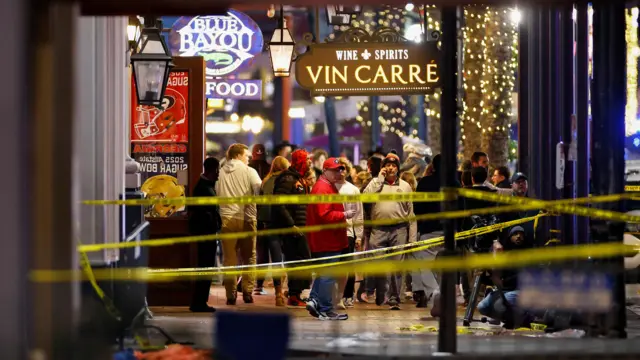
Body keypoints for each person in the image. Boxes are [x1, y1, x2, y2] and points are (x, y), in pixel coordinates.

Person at [363, 152, 417, 310]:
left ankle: (394, 297)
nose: (391, 168)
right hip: (378, 229)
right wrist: (378, 180)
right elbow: (365, 198)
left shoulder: (405, 187)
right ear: (383, 168)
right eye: (387, 165)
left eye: (393, 165)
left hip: (399, 229)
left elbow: (411, 214)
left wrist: (412, 238)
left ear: (398, 169)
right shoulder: (375, 183)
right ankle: (381, 293)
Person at [305, 158, 355, 320]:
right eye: (334, 170)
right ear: (325, 171)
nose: (338, 173)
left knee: (324, 273)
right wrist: (344, 215)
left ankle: (314, 300)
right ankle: (325, 308)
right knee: (328, 274)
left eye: (339, 170)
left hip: (327, 238)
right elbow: (324, 214)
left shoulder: (326, 186)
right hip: (327, 239)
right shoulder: (322, 188)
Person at [216, 143, 262, 305]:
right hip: (247, 218)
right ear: (238, 155)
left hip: (226, 219)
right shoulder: (250, 172)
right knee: (249, 256)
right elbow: (259, 191)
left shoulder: (220, 173)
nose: (248, 159)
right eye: (246, 156)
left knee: (229, 259)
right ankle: (248, 292)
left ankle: (231, 294)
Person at [273, 149, 313, 307]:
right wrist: (291, 225)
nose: (310, 162)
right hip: (293, 229)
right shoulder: (289, 179)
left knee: (302, 260)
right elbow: (279, 203)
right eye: (307, 159)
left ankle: (296, 292)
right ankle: (294, 295)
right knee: (296, 261)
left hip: (301, 227)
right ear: (300, 161)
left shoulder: (299, 178)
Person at [477, 226, 534, 327]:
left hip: (519, 291)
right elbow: (495, 279)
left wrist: (503, 281)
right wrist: (485, 274)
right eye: (515, 234)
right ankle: (507, 318)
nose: (519, 236)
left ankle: (522, 318)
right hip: (504, 290)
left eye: (521, 234)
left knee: (500, 304)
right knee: (482, 307)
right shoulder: (504, 253)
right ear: (510, 237)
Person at [255, 156, 290, 305]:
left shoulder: (266, 181)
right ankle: (284, 292)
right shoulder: (285, 180)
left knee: (274, 258)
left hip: (267, 223)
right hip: (283, 223)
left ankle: (278, 294)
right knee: (285, 257)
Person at [189, 157, 222, 313]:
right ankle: (199, 302)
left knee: (207, 267)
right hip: (205, 234)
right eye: (217, 170)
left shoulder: (206, 186)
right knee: (205, 267)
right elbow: (203, 213)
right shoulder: (203, 187)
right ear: (212, 170)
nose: (219, 174)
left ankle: (201, 301)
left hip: (208, 233)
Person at [336, 158, 364, 309]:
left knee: (347, 265)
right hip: (332, 232)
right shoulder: (330, 187)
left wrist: (358, 235)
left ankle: (348, 295)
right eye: (338, 169)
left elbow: (358, 215)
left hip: (348, 232)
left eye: (343, 169)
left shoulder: (353, 190)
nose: (341, 172)